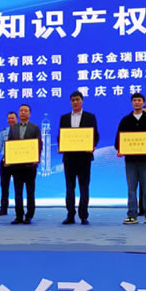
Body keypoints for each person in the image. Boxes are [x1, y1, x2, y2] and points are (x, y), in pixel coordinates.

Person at [115, 93, 146, 225]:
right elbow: (119, 138)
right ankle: (132, 215)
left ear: (143, 102)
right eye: (135, 100)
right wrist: (119, 149)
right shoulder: (125, 120)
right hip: (131, 160)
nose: (137, 102)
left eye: (139, 100)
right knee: (131, 189)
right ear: (132, 103)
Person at [58, 91, 100, 225]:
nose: (75, 102)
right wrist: (61, 145)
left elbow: (95, 135)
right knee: (69, 188)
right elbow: (60, 136)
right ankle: (70, 215)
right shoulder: (64, 118)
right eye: (73, 100)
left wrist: (92, 145)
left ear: (82, 101)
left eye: (77, 100)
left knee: (84, 188)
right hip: (69, 158)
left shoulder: (90, 116)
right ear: (70, 102)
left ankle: (83, 215)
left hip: (84, 158)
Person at [7, 104, 42, 224]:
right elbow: (10, 144)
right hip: (16, 166)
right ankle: (19, 215)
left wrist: (36, 158)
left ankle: (29, 215)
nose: (23, 112)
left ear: (29, 113)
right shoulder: (13, 128)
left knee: (30, 192)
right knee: (17, 192)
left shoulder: (35, 128)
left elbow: (39, 144)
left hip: (30, 165)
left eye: (25, 111)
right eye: (21, 110)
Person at [0, 112, 18, 216]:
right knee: (4, 186)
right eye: (9, 118)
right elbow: (0, 145)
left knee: (18, 186)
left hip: (17, 161)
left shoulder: (21, 131)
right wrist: (5, 155)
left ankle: (19, 209)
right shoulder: (3, 132)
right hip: (5, 161)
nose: (10, 120)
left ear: (16, 119)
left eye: (12, 118)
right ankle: (3, 208)